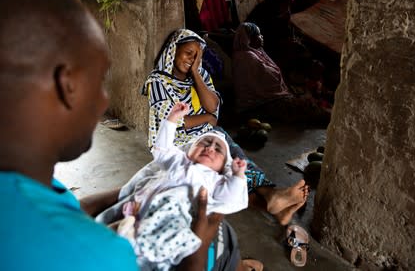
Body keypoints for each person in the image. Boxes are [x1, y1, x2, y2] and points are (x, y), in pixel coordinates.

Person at [0, 0, 221, 271]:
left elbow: (66, 208)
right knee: (218, 242)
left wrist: (133, 190)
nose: (104, 102)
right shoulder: (103, 256)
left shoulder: (24, 182)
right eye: (99, 79)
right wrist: (196, 255)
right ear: (67, 85)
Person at [142, 28, 310, 225]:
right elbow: (173, 120)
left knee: (235, 164)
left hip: (205, 134)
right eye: (188, 53)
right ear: (173, 50)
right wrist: (206, 119)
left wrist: (196, 73)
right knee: (220, 175)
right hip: (175, 142)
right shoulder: (158, 82)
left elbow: (212, 105)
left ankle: (272, 199)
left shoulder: (200, 74)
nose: (192, 59)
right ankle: (271, 200)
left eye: (197, 56)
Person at [96, 102, 249, 270]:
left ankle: (138, 248)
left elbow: (233, 198)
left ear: (222, 167)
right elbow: (162, 149)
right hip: (146, 209)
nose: (210, 148)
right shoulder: (178, 161)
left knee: (163, 239)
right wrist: (172, 119)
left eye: (218, 149)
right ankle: (130, 243)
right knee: (130, 225)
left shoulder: (216, 180)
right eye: (204, 142)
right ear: (189, 150)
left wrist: (238, 175)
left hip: (178, 215)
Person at [232, 22, 331, 123]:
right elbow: (265, 81)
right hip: (259, 104)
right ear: (250, 39)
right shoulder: (247, 57)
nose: (262, 37)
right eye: (258, 35)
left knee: (306, 99)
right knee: (306, 106)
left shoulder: (253, 53)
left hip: (265, 99)